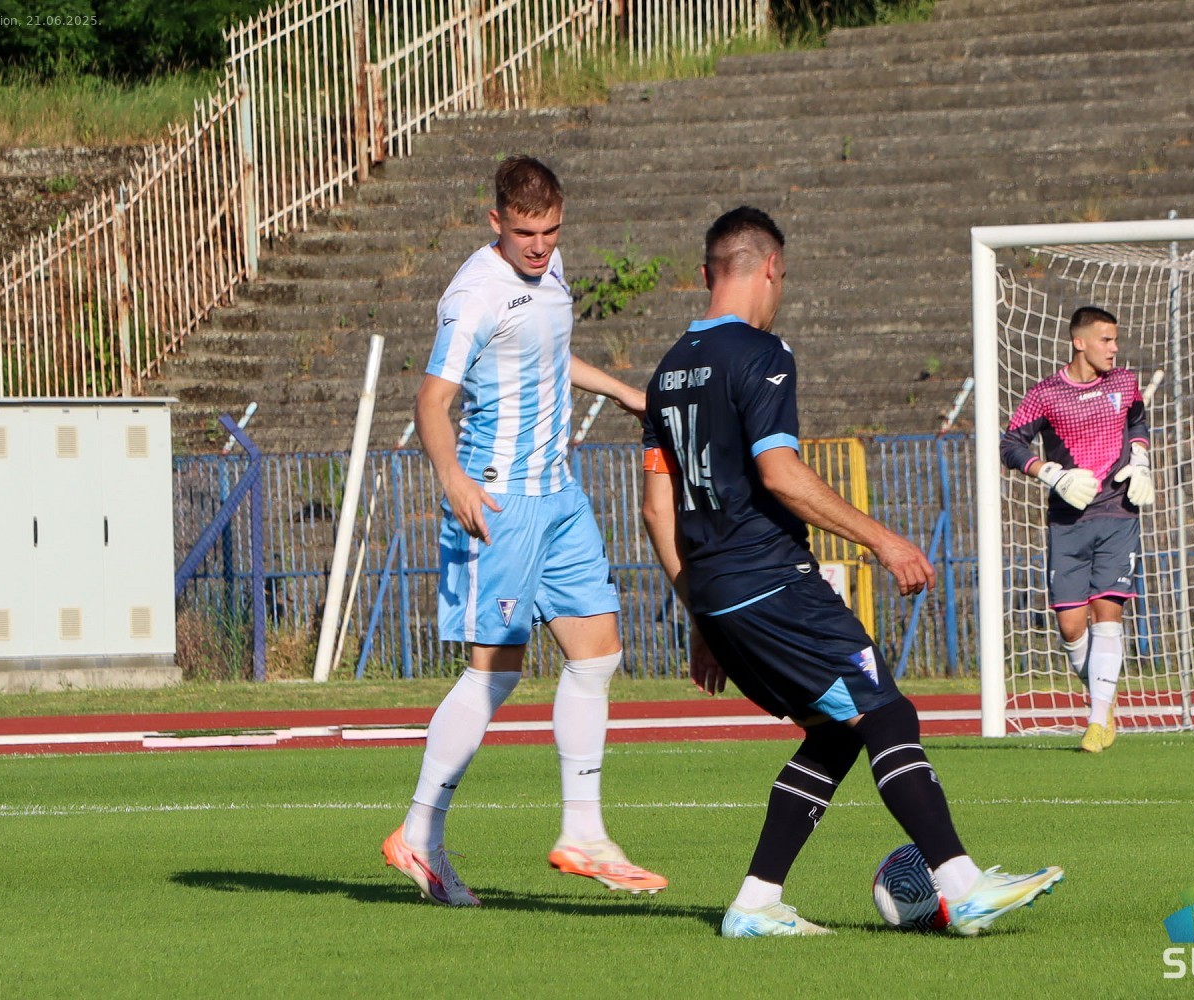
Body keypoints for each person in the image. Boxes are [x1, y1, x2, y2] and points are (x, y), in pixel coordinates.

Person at [640, 206, 1064, 937]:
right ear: (772, 267)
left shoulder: (665, 372)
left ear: (708, 272)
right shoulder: (763, 353)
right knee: (887, 713)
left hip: (714, 590)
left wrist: (700, 618)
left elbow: (656, 511)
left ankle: (755, 903)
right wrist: (883, 541)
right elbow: (780, 472)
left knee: (837, 732)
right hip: (771, 578)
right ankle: (961, 884)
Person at [382, 155, 666, 905]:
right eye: (525, 234)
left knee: (598, 653)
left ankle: (583, 833)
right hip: (499, 499)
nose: (539, 247)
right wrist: (453, 479)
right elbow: (431, 401)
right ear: (496, 222)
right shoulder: (473, 294)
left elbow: (547, 352)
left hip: (559, 495)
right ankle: (418, 835)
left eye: (551, 231)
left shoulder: (550, 268)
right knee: (495, 672)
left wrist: (623, 392)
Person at [999, 306, 1154, 753]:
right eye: (1106, 339)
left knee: (1108, 614)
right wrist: (1051, 473)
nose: (1114, 348)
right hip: (1067, 520)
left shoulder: (1123, 382)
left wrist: (1141, 459)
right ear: (1079, 342)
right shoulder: (1046, 393)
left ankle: (1096, 722)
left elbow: (1137, 421)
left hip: (1118, 513)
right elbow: (1010, 444)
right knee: (1070, 627)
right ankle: (1104, 699)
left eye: (1116, 340)